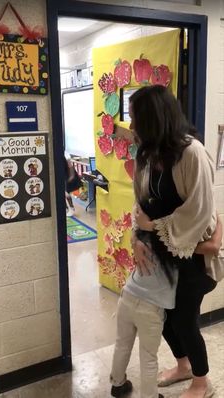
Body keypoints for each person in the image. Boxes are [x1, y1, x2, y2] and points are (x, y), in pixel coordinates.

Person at [109, 85, 222, 398]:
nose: (131, 127)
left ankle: (202, 382)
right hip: (167, 253)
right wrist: (137, 236)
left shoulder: (192, 153)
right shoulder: (148, 152)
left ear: (154, 119)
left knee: (185, 320)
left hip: (195, 258)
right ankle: (183, 365)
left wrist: (153, 228)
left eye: (135, 119)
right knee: (167, 316)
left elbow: (199, 212)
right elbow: (140, 202)